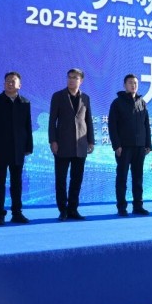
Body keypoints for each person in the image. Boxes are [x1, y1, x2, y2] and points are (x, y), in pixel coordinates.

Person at [0, 71, 33, 225]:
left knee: (16, 182)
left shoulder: (25, 103)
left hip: (18, 149)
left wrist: (29, 145)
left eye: (13, 81)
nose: (10, 83)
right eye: (7, 81)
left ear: (19, 85)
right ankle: (0, 214)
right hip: (0, 148)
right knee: (0, 182)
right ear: (4, 84)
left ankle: (17, 213)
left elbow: (28, 126)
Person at [48, 68, 95, 221]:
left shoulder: (85, 98)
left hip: (81, 144)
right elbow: (52, 120)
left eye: (75, 78)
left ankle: (73, 209)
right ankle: (63, 210)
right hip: (62, 144)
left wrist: (91, 141)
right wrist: (53, 141)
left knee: (77, 179)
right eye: (69, 77)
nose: (71, 80)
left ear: (81, 81)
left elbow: (88, 120)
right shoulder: (58, 96)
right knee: (61, 179)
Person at [108, 74, 152, 216]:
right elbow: (112, 126)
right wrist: (116, 145)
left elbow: (146, 124)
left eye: (135, 83)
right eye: (130, 83)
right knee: (122, 177)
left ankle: (138, 206)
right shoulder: (117, 103)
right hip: (124, 147)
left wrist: (148, 144)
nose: (133, 85)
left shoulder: (142, 102)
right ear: (124, 85)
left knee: (138, 178)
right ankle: (121, 207)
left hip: (140, 147)